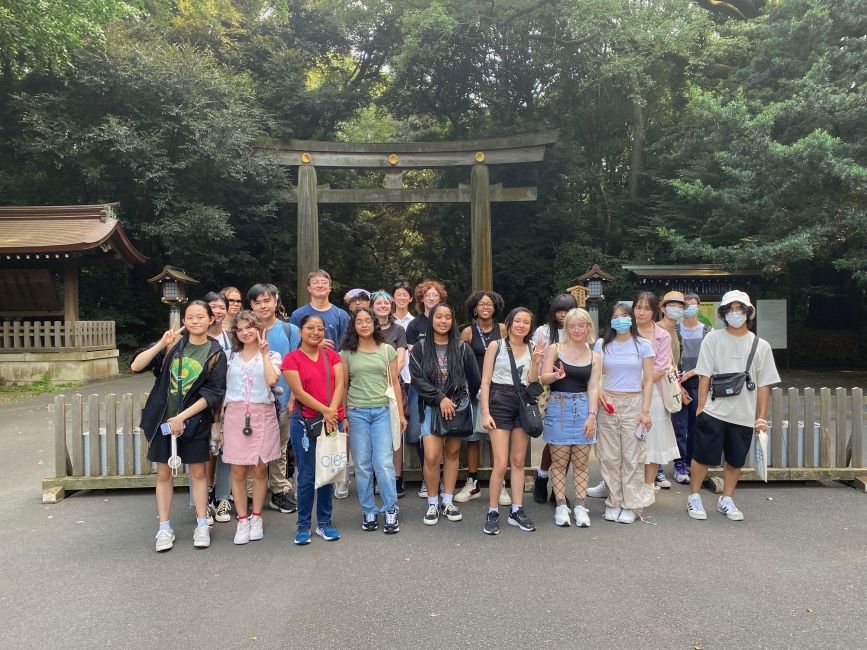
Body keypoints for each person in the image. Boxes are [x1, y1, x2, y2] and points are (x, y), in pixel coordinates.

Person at [131, 300, 227, 551]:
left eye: (200, 317)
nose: (194, 321)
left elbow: (214, 393)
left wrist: (182, 417)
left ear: (210, 320)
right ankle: (164, 528)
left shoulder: (215, 353)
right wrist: (163, 343)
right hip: (163, 420)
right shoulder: (173, 344)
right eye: (190, 317)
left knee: (198, 474)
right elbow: (136, 366)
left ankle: (202, 524)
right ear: (183, 320)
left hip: (195, 422)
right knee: (163, 474)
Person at [687, 290, 779, 521]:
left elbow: (764, 383)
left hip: (744, 414)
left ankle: (726, 498)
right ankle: (694, 496)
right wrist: (701, 406)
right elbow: (704, 375)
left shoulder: (761, 345)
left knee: (735, 459)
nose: (735, 313)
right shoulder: (713, 338)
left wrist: (761, 417)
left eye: (740, 309)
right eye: (730, 309)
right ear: (723, 313)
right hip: (714, 409)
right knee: (702, 456)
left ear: (748, 313)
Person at [409, 303, 481, 526]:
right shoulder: (420, 348)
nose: (443, 321)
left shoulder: (462, 347)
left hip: (456, 409)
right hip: (431, 408)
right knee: (431, 457)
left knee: (452, 454)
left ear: (452, 321)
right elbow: (417, 380)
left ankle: (448, 501)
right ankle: (432, 502)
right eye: (438, 317)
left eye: (447, 317)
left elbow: (474, 379)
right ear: (431, 321)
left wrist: (458, 400)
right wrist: (440, 398)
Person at [341, 307, 406, 534]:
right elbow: (343, 386)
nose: (364, 324)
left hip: (382, 411)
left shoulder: (387, 350)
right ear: (354, 326)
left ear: (374, 324)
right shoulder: (347, 353)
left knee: (384, 462)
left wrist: (400, 415)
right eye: (359, 321)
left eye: (368, 320)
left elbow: (395, 383)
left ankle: (390, 508)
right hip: (356, 411)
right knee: (361, 465)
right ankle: (368, 509)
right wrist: (343, 415)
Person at [282, 314, 347, 544]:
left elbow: (340, 384)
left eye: (320, 328)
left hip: (331, 421)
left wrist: (332, 411)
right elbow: (299, 393)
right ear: (301, 331)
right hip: (305, 423)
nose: (316, 332)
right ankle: (302, 525)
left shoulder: (332, 355)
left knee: (329, 473)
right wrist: (326, 410)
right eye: (310, 328)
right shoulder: (291, 359)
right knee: (307, 476)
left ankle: (325, 522)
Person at [221, 310, 282, 544]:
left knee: (259, 468)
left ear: (259, 328)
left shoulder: (273, 355)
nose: (245, 332)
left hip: (262, 413)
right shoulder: (229, 357)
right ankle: (242, 519)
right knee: (237, 470)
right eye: (240, 328)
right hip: (236, 414)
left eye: (250, 327)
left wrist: (264, 353)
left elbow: (271, 380)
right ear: (236, 332)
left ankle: (257, 516)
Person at [290, 270, 351, 497]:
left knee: (336, 426)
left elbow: (346, 346)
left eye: (324, 282)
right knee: (305, 432)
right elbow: (294, 345)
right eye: (315, 282)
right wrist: (313, 343)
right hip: (306, 377)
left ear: (330, 286)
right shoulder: (298, 314)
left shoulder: (340, 315)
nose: (320, 285)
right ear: (308, 287)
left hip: (333, 375)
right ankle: (302, 479)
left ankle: (339, 476)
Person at [480, 307, 541, 534]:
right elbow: (485, 382)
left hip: (523, 401)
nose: (521, 325)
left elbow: (533, 382)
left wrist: (535, 362)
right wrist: (485, 412)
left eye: (526, 322)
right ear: (510, 322)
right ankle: (493, 510)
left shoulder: (533, 347)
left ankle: (517, 510)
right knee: (500, 462)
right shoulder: (496, 346)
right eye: (518, 321)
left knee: (518, 462)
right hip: (499, 400)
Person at [539, 308, 600, 528]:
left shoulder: (595, 356)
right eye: (572, 326)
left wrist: (592, 415)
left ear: (588, 328)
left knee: (582, 462)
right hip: (559, 406)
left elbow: (594, 387)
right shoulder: (555, 349)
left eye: (581, 325)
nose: (576, 330)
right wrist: (555, 375)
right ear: (566, 328)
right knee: (559, 461)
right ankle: (561, 505)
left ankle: (581, 506)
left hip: (584, 406)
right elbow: (543, 376)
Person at [593, 303, 654, 524]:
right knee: (609, 456)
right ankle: (614, 501)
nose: (620, 320)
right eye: (616, 316)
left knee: (632, 457)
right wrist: (599, 390)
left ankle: (632, 504)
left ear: (631, 319)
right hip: (607, 403)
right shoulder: (602, 344)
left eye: (624, 316)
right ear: (610, 320)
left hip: (634, 403)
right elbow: (596, 374)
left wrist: (645, 411)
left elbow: (648, 380)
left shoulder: (643, 345)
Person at [248, 283, 300, 514]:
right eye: (257, 302)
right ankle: (251, 493)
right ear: (251, 305)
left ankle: (279, 490)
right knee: (250, 448)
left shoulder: (290, 331)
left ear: (276, 302)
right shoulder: (245, 330)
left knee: (278, 447)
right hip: (251, 402)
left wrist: (293, 399)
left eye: (267, 301)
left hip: (282, 399)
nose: (262, 306)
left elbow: (298, 367)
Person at [457, 290, 507, 504]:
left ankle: (501, 484)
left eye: (489, 304)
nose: (486, 308)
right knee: (473, 438)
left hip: (498, 390)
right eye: (481, 305)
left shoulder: (504, 329)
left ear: (495, 308)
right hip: (473, 389)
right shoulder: (468, 332)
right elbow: (461, 363)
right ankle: (473, 482)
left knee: (495, 437)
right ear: (474, 309)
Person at [531, 293, 579, 505]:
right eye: (560, 310)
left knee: (568, 442)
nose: (564, 315)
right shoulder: (544, 331)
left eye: (568, 310)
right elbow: (535, 360)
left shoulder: (579, 330)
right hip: (549, 390)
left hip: (575, 391)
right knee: (554, 440)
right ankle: (542, 477)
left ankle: (557, 490)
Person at [634, 291, 681, 504]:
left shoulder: (661, 335)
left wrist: (635, 385)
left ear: (655, 311)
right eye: (638, 307)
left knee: (651, 440)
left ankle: (647, 485)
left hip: (652, 393)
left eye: (646, 308)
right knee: (624, 441)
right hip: (624, 395)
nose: (641, 312)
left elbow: (661, 367)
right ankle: (616, 483)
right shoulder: (625, 329)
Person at [404, 279, 448, 498]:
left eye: (435, 295)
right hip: (419, 387)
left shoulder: (447, 322)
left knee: (447, 433)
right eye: (427, 295)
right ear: (421, 299)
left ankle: (441, 480)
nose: (432, 298)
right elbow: (414, 358)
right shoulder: (415, 325)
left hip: (446, 389)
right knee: (421, 432)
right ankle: (426, 478)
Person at [371, 290, 409, 498]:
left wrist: (388, 377)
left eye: (387, 303)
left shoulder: (399, 330)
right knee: (374, 435)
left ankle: (396, 477)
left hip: (393, 385)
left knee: (395, 432)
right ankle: (377, 476)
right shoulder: (365, 326)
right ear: (372, 305)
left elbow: (400, 359)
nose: (383, 306)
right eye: (379, 303)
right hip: (369, 387)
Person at [670, 292, 710, 484]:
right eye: (686, 305)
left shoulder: (707, 331)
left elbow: (710, 360)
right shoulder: (675, 329)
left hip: (699, 381)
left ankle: (689, 462)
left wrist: (692, 372)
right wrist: (679, 377)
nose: (690, 308)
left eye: (694, 304)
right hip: (677, 382)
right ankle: (679, 464)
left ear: (699, 306)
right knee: (678, 425)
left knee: (695, 425)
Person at [203, 291, 233, 525]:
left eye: (222, 307)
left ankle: (223, 497)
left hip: (229, 400)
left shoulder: (231, 336)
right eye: (213, 307)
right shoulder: (197, 337)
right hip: (203, 401)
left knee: (226, 451)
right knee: (203, 452)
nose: (218, 311)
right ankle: (204, 499)